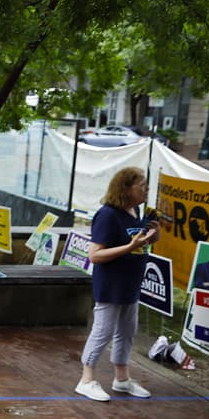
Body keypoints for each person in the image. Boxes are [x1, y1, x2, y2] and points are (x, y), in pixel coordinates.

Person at [73, 167, 159, 401]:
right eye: (142, 185)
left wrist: (152, 236)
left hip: (131, 282)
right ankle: (86, 379)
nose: (146, 189)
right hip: (111, 283)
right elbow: (94, 255)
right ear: (126, 188)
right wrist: (130, 247)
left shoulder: (137, 210)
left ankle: (122, 378)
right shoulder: (107, 215)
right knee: (103, 330)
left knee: (127, 331)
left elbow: (137, 241)